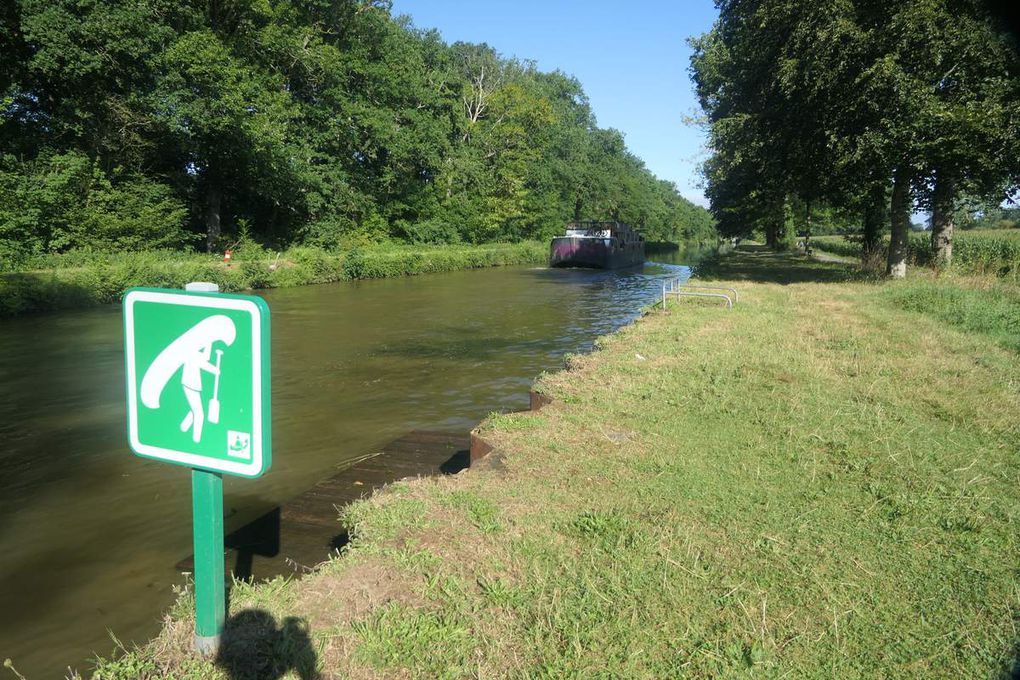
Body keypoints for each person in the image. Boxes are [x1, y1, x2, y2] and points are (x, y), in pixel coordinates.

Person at [179, 344, 220, 443]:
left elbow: (205, 357)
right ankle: (196, 439)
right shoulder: (192, 353)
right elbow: (203, 363)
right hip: (190, 386)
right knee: (199, 413)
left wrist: (209, 342)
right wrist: (216, 370)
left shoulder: (191, 351)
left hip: (189, 386)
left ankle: (183, 427)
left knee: (194, 408)